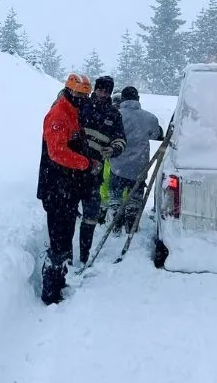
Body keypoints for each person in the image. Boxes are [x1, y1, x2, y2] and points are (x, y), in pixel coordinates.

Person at [36, 73, 104, 305]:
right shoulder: (58, 115)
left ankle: (60, 281)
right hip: (56, 189)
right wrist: (85, 163)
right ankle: (50, 292)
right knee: (58, 242)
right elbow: (57, 152)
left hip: (69, 188)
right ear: (69, 91)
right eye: (79, 94)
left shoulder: (73, 113)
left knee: (65, 238)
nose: (82, 99)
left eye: (85, 95)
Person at [76, 76, 126, 265]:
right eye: (100, 90)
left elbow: (121, 139)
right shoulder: (82, 106)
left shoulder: (114, 115)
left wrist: (113, 149)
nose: (103, 93)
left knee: (90, 215)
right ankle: (63, 253)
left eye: (106, 91)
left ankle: (84, 256)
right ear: (94, 90)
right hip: (73, 169)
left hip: (95, 171)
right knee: (68, 212)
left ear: (111, 93)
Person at [107, 86, 164, 235]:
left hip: (117, 165)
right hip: (139, 166)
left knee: (116, 195)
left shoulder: (115, 115)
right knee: (134, 197)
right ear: (138, 99)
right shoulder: (149, 118)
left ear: (123, 99)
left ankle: (115, 220)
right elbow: (157, 134)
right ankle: (132, 219)